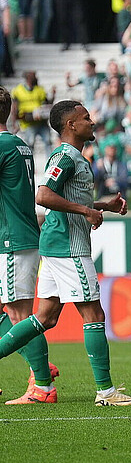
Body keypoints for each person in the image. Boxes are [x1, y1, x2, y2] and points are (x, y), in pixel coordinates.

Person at [0, 100, 131, 406]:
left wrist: (102, 206)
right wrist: (86, 211)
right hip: (69, 246)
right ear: (71, 126)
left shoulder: (74, 157)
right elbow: (44, 195)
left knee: (44, 318)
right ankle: (106, 392)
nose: (91, 122)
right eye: (86, 118)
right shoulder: (65, 157)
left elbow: (67, 197)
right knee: (93, 313)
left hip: (54, 245)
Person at [0, 86, 59, 404]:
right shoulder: (19, 144)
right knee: (7, 311)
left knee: (20, 314)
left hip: (12, 241)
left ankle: (42, 385)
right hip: (15, 235)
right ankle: (39, 366)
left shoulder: (1, 145)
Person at [11, 70, 51, 152]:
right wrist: (14, 122)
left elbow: (47, 104)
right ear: (28, 78)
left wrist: (53, 95)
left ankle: (50, 162)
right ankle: (30, 163)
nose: (36, 78)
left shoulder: (40, 89)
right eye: (34, 76)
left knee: (48, 141)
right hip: (27, 122)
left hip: (41, 121)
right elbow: (14, 108)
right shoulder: (18, 90)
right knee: (30, 144)